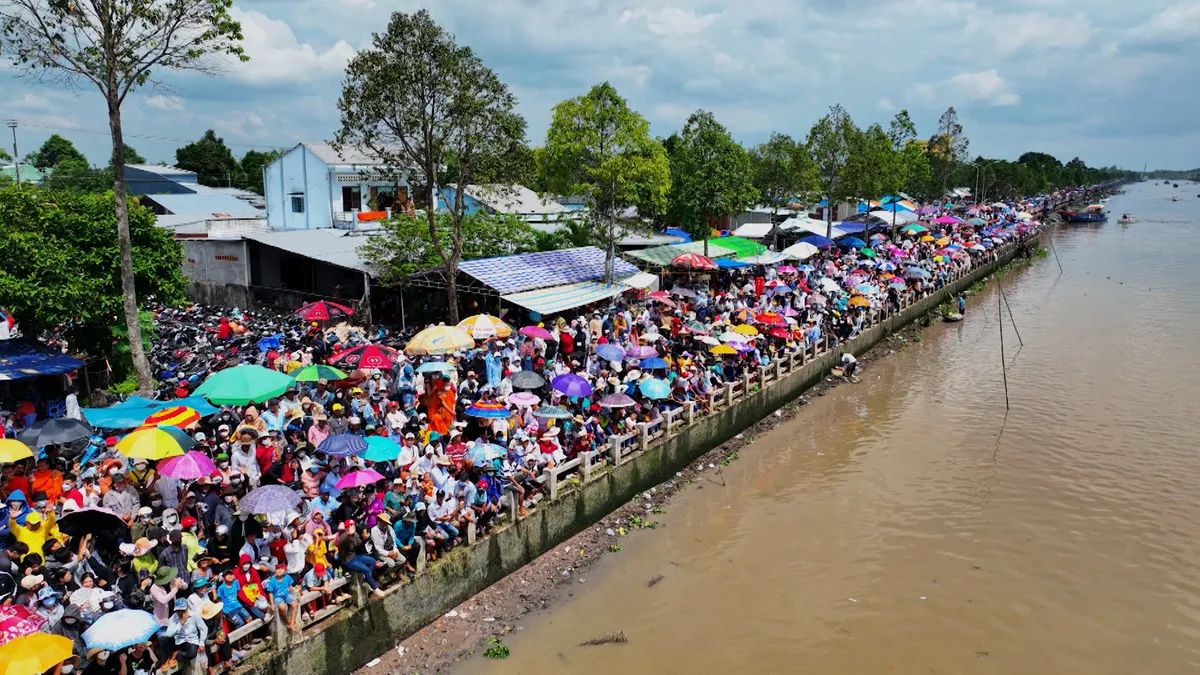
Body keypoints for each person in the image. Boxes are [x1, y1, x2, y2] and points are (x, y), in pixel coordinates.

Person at [263, 563, 300, 632]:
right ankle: (288, 621)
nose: (279, 571)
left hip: (286, 594)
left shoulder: (287, 577)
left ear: (285, 571)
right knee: (282, 607)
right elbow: (270, 593)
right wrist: (272, 603)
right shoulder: (272, 580)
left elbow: (290, 587)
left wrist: (293, 596)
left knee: (295, 604)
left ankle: (292, 624)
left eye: (282, 569)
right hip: (277, 597)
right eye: (277, 569)